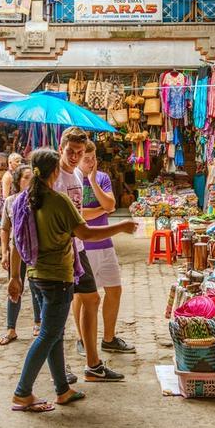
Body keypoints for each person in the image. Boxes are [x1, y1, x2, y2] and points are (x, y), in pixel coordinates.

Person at [9, 149, 138, 413]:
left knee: (54, 334)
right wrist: (121, 226)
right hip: (57, 276)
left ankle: (62, 389)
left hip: (35, 276)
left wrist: (14, 277)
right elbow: (85, 234)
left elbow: (15, 241)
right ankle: (22, 393)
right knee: (47, 335)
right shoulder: (59, 201)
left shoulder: (22, 200)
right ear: (55, 172)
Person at [56, 127, 123, 382]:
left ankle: (93, 365)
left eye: (80, 152)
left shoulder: (76, 179)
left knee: (93, 299)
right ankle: (58, 370)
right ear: (61, 148)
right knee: (59, 311)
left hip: (78, 248)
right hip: (62, 251)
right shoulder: (55, 177)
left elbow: (97, 210)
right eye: (72, 152)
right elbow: (79, 220)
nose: (76, 156)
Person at [78, 141, 135, 354]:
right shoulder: (71, 180)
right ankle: (82, 339)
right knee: (83, 297)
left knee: (114, 289)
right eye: (86, 159)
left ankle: (108, 338)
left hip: (105, 243)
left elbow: (111, 206)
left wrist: (93, 182)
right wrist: (100, 210)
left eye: (93, 158)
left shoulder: (101, 178)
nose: (90, 162)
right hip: (83, 245)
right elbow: (78, 214)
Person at [0, 165, 41, 345]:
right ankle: (11, 329)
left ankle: (38, 323)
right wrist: (4, 252)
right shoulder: (10, 201)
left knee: (36, 287)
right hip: (15, 251)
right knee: (14, 287)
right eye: (26, 177)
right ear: (17, 181)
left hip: (34, 250)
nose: (29, 181)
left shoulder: (39, 200)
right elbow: (5, 228)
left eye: (32, 178)